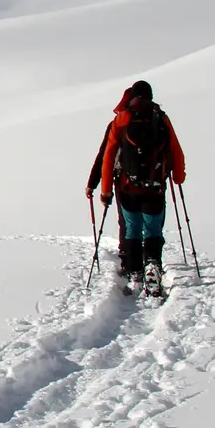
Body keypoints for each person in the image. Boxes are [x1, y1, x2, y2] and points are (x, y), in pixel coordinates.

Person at [87, 80, 186, 298]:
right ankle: (153, 265)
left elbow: (108, 157)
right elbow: (175, 151)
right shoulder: (160, 117)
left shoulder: (120, 120)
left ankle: (134, 273)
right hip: (155, 187)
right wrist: (178, 177)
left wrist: (105, 191)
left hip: (127, 187)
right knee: (152, 229)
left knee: (132, 228)